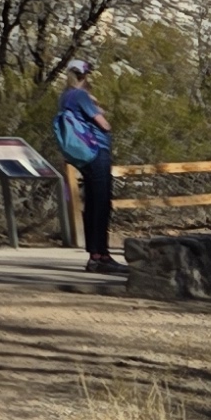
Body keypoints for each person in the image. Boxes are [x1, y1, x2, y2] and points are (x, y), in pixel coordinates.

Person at [54, 58, 118, 274]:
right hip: (96, 151)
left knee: (91, 202)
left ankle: (95, 254)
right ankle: (101, 255)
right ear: (84, 75)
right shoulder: (81, 95)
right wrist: (97, 107)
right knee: (101, 203)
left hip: (82, 156)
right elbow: (104, 124)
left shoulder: (65, 97)